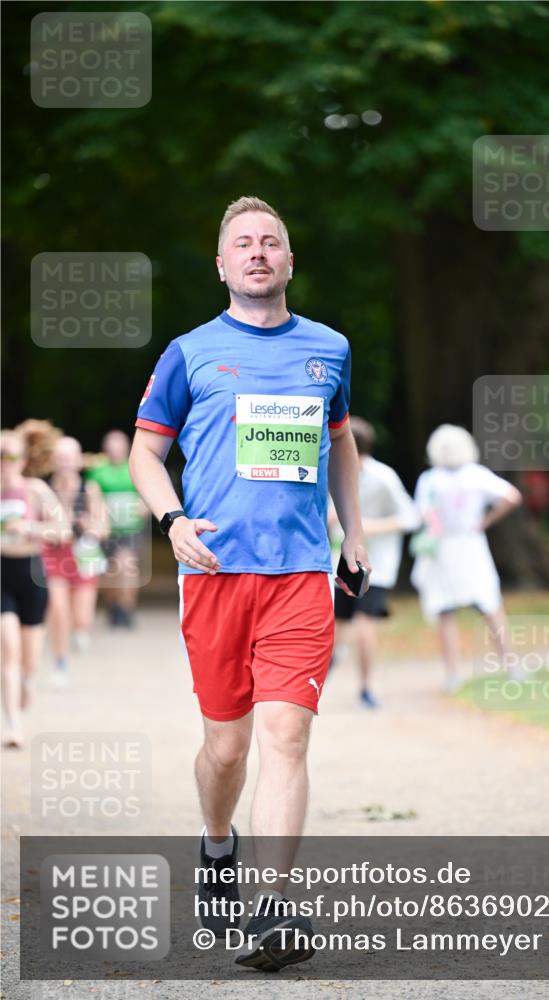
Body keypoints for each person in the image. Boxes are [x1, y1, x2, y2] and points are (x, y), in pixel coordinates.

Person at [129, 195, 369, 972]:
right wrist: (171, 521)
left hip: (299, 573)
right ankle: (216, 844)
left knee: (285, 735)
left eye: (272, 242)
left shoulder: (327, 350)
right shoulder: (189, 353)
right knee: (226, 750)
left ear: (289, 261)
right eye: (243, 243)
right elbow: (143, 454)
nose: (258, 252)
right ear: (223, 265)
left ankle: (270, 909)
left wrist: (354, 532)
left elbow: (339, 447)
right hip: (216, 575)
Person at [410, 424, 522, 693]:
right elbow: (511, 496)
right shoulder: (477, 475)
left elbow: (422, 514)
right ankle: (512, 665)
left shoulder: (430, 479)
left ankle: (452, 674)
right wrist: (485, 521)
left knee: (444, 610)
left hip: (443, 547)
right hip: (471, 544)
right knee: (490, 605)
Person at [329, 416, 419, 708]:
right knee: (335, 624)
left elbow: (411, 517)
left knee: (363, 622)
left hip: (375, 566)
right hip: (337, 562)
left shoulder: (383, 477)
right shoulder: (331, 472)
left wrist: (363, 528)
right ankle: (318, 685)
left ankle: (366, 687)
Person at [1, 429, 71, 747]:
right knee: (8, 650)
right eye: (0, 456)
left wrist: (29, 528)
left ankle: (27, 682)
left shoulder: (35, 490)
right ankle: (13, 724)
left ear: (23, 460)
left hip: (31, 575)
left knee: (29, 661)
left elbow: (63, 529)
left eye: (10, 456)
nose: (4, 463)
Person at [43, 436, 109, 682]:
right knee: (58, 610)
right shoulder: (44, 489)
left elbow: (104, 525)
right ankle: (60, 663)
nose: (65, 463)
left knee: (81, 619)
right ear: (53, 461)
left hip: (83, 557)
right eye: (60, 458)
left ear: (79, 460)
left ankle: (80, 632)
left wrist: (90, 526)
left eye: (69, 458)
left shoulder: (89, 488)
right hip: (53, 555)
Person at [87, 430, 148, 627]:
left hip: (130, 529)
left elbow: (146, 493)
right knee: (111, 570)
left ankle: (127, 607)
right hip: (108, 530)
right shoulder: (97, 471)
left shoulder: (135, 467)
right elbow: (92, 496)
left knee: (128, 566)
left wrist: (143, 508)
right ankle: (114, 605)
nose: (115, 450)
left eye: (119, 446)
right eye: (111, 446)